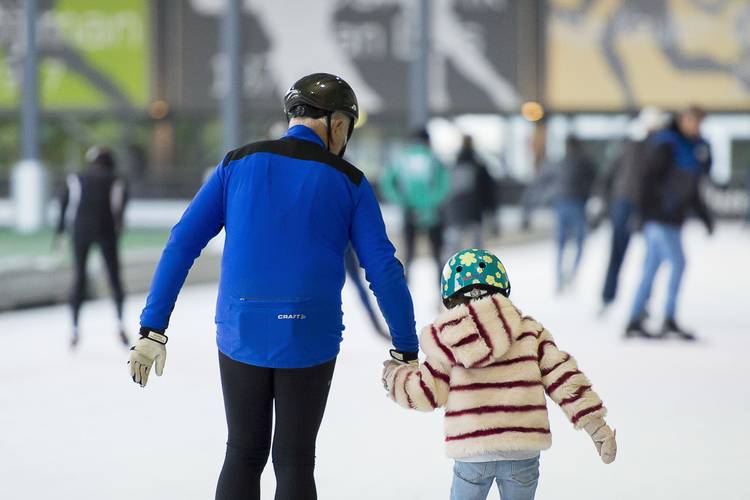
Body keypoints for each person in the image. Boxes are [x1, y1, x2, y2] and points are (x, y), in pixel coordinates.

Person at [127, 73, 419, 500]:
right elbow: (383, 269)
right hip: (310, 333)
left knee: (243, 451)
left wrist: (153, 327)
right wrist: (405, 347)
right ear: (338, 124)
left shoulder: (236, 163)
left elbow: (182, 241)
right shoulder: (350, 181)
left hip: (241, 327)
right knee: (296, 458)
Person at [382, 249, 616, 500]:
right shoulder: (530, 331)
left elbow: (425, 393)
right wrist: (596, 426)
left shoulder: (447, 338)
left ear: (448, 295)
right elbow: (564, 379)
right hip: (522, 450)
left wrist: (394, 376)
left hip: (472, 452)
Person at [626, 106, 714, 340]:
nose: (696, 126)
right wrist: (643, 214)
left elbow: (693, 188)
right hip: (658, 217)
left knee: (652, 267)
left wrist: (704, 216)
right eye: (692, 121)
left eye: (699, 122)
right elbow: (647, 180)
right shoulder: (667, 144)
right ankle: (668, 317)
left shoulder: (694, 148)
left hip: (674, 218)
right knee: (678, 262)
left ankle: (634, 318)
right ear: (683, 120)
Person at [56, 146, 129, 348]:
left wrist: (61, 233)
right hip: (107, 231)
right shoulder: (116, 179)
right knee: (114, 277)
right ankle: (120, 324)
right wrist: (118, 232)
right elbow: (119, 208)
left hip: (81, 231)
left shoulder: (76, 178)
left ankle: (74, 329)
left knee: (79, 276)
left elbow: (66, 206)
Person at [600, 107, 669, 313]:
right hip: (625, 202)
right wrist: (604, 199)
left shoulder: (660, 147)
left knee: (651, 256)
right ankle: (608, 297)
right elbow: (610, 174)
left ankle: (642, 301)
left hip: (645, 205)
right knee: (620, 253)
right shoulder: (630, 144)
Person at [380, 127, 450, 282]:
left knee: (408, 256)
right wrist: (430, 203)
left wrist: (402, 201)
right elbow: (445, 185)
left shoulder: (400, 159)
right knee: (438, 257)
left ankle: (403, 292)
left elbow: (387, 184)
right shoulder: (434, 159)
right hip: (433, 214)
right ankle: (443, 295)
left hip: (408, 212)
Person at [550, 137, 597, 291]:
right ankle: (572, 275)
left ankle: (559, 280)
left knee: (561, 243)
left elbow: (550, 181)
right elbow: (594, 180)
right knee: (580, 241)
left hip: (561, 203)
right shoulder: (585, 162)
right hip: (577, 203)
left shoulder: (560, 162)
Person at [443, 135, 498, 259]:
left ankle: (449, 275)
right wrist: (492, 214)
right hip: (474, 212)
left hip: (455, 213)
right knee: (477, 252)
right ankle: (479, 275)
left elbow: (444, 192)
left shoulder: (452, 166)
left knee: (452, 251)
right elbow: (489, 192)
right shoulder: (479, 167)